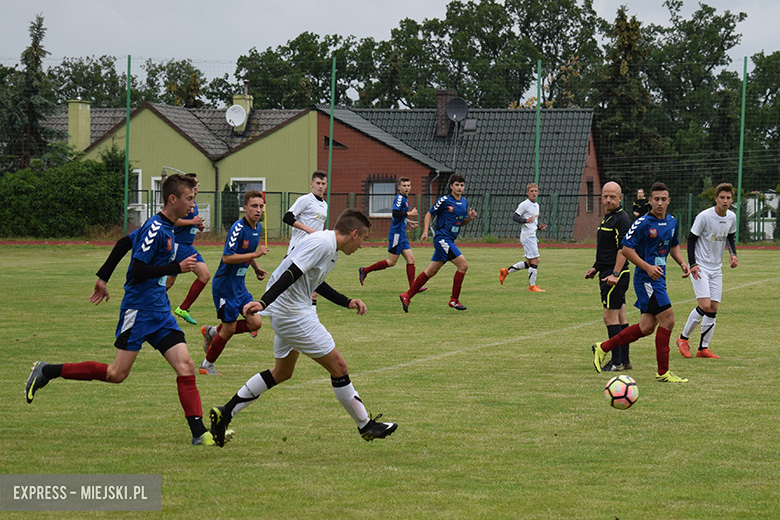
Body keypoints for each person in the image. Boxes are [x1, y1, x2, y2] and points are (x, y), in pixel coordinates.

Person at [26, 173, 221, 445]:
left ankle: (199, 433)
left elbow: (122, 243)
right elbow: (139, 271)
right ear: (173, 199)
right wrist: (176, 268)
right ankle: (47, 371)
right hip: (138, 311)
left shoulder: (165, 226)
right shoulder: (155, 228)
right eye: (189, 199)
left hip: (160, 311)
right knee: (117, 374)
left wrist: (102, 278)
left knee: (186, 366)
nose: (192, 204)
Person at [208, 209, 397, 446]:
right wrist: (264, 302)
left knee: (282, 372)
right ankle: (365, 426)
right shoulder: (322, 244)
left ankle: (225, 413)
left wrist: (346, 301)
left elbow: (314, 281)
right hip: (293, 314)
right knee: (339, 366)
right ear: (354, 233)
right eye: (364, 239)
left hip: (292, 311)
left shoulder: (329, 246)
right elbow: (291, 273)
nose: (362, 245)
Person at [590, 182, 691, 383]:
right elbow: (626, 249)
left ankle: (603, 347)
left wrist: (681, 262)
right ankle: (663, 372)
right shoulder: (642, 223)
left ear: (669, 201)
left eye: (664, 199)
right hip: (646, 280)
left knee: (646, 327)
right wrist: (647, 267)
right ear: (650, 201)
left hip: (659, 279)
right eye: (656, 199)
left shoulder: (672, 221)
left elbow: (674, 245)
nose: (660, 203)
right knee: (668, 320)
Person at [199, 191, 269, 376]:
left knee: (255, 322)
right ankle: (206, 365)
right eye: (254, 206)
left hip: (239, 287)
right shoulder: (237, 228)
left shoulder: (258, 228)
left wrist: (256, 267)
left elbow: (248, 251)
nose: (258, 210)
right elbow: (228, 257)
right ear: (245, 208)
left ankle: (213, 331)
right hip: (224, 288)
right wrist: (255, 255)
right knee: (229, 329)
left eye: (261, 206)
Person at [676, 182, 738, 359]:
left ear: (731, 200)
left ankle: (703, 348)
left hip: (716, 268)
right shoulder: (704, 216)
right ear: (716, 199)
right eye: (722, 197)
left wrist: (733, 254)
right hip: (701, 266)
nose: (725, 201)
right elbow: (691, 239)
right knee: (704, 305)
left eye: (728, 198)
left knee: (713, 308)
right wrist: (693, 264)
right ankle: (683, 339)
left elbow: (730, 237)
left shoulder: (731, 217)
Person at [400, 173, 478, 312]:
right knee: (463, 265)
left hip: (449, 240)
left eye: (462, 185)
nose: (459, 188)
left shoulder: (464, 202)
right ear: (451, 186)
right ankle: (454, 300)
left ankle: (407, 295)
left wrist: (470, 219)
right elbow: (429, 213)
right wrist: (425, 231)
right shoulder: (444, 200)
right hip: (442, 239)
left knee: (430, 272)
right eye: (457, 185)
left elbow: (461, 222)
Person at [584, 181, 633, 372]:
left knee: (609, 317)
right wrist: (595, 268)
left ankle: (616, 362)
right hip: (606, 272)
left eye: (613, 196)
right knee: (620, 317)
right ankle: (625, 360)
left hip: (614, 275)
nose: (608, 199)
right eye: (605, 196)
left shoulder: (621, 219)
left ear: (620, 198)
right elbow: (607, 249)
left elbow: (623, 249)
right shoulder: (608, 218)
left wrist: (615, 273)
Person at [358, 177, 426, 292]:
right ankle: (365, 270)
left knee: (411, 259)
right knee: (391, 262)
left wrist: (408, 222)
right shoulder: (399, 198)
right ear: (399, 187)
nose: (407, 188)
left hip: (402, 235)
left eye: (408, 185)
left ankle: (413, 287)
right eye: (404, 186)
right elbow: (395, 213)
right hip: (396, 235)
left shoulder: (405, 198)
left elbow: (399, 216)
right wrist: (409, 214)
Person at [167, 173, 211, 325]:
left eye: (198, 184)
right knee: (204, 275)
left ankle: (181, 308)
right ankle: (182, 308)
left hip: (186, 246)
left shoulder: (194, 204)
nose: (197, 187)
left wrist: (198, 225)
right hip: (179, 246)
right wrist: (192, 221)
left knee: (168, 282)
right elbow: (173, 220)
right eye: (194, 184)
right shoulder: (181, 202)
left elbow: (189, 221)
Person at [283, 170, 328, 306]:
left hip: (313, 249)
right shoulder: (305, 200)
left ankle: (310, 314)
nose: (320, 186)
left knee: (314, 285)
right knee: (290, 285)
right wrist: (308, 229)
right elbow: (287, 217)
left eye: (323, 183)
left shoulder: (324, 204)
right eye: (318, 183)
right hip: (298, 248)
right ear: (311, 184)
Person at [499, 183, 548, 292]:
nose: (534, 193)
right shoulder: (524, 204)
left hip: (532, 235)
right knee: (536, 260)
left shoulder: (537, 205)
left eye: (536, 191)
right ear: (527, 193)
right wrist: (525, 220)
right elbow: (515, 216)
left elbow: (532, 222)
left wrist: (539, 228)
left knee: (529, 263)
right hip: (527, 236)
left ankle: (506, 271)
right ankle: (532, 286)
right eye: (531, 191)